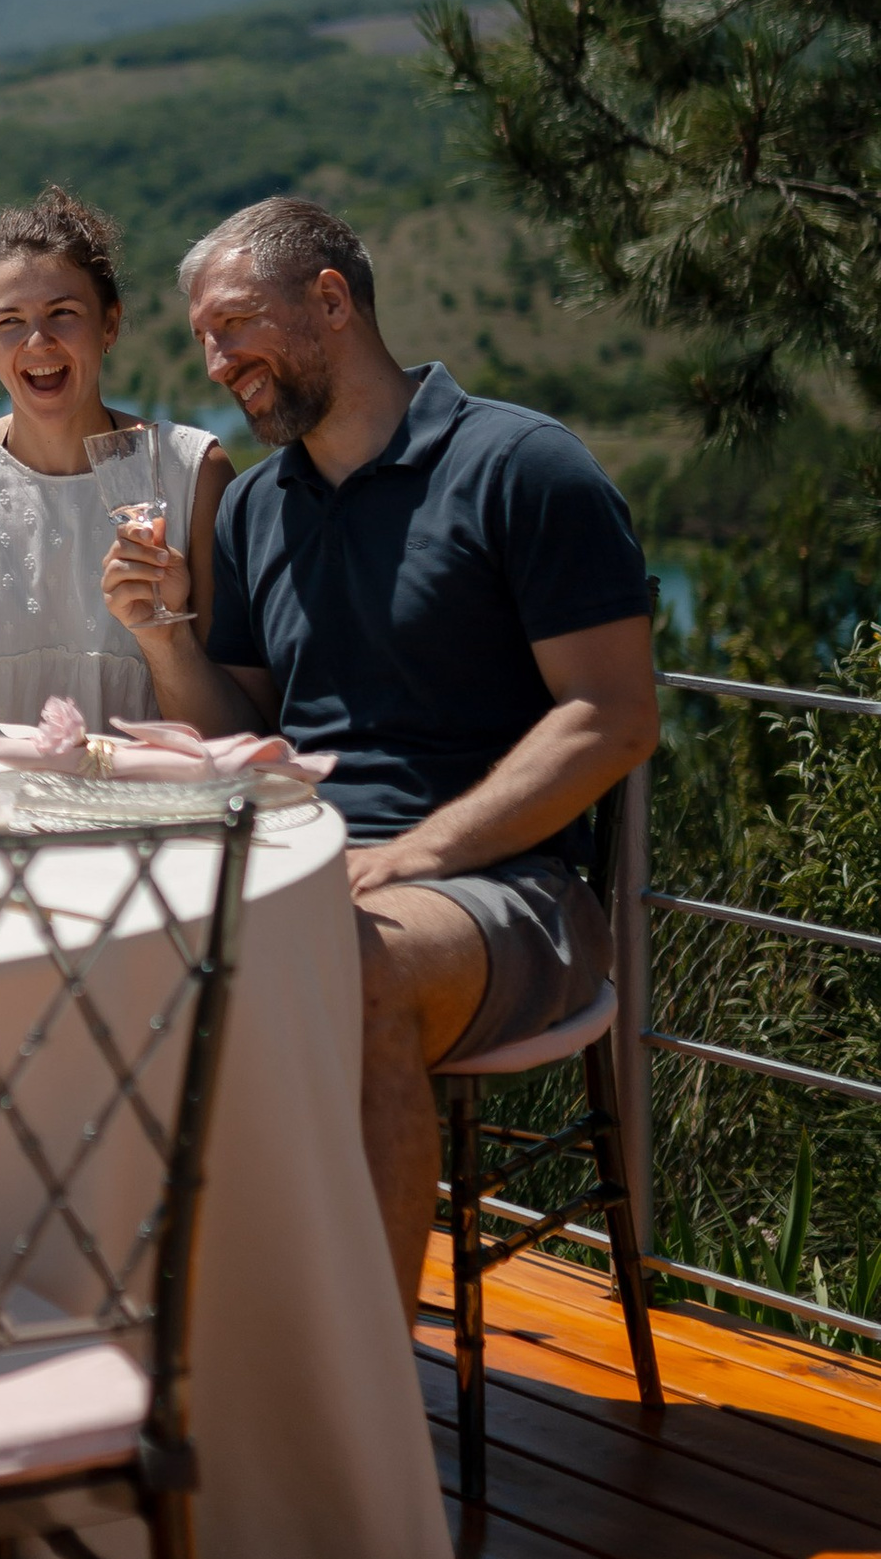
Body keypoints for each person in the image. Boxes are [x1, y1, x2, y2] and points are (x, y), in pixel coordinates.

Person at [101, 194, 657, 1325]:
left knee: (348, 969)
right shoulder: (259, 507)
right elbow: (235, 730)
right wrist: (163, 634)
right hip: (315, 875)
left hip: (509, 894)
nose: (215, 362)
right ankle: (178, 1360)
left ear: (332, 301)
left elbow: (612, 716)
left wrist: (412, 854)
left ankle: (364, 1414)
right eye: (201, 339)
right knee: (99, 948)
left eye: (233, 326)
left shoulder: (521, 468)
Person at [0, 188, 232, 729]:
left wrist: (165, 634)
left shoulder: (191, 471)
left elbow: (226, 731)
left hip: (139, 801)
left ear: (109, 324)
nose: (38, 342)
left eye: (63, 313)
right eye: (10, 321)